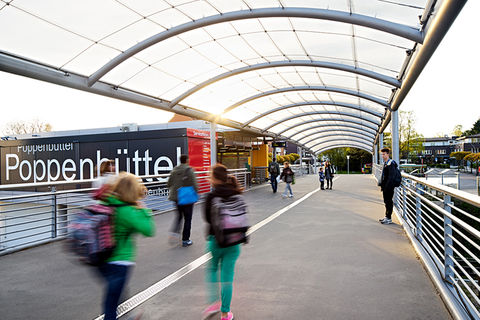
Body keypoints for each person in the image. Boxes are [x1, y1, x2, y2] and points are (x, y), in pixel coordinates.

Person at [99, 172, 155, 320]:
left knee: (112, 298)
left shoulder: (107, 202)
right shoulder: (127, 212)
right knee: (111, 304)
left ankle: (127, 315)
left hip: (101, 259)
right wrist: (143, 209)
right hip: (120, 261)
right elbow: (149, 230)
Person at [202, 164, 243, 320]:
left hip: (215, 240)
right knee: (227, 278)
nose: (207, 178)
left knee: (212, 269)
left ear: (214, 179)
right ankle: (225, 313)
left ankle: (213, 304)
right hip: (234, 242)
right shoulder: (236, 194)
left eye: (209, 175)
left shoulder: (211, 197)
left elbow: (207, 218)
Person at [167, 154, 198, 247]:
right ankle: (185, 240)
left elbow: (168, 184)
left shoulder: (174, 170)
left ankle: (174, 233)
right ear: (187, 160)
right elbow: (194, 184)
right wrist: (196, 193)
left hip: (176, 198)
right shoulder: (189, 170)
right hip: (187, 198)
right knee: (188, 219)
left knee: (179, 216)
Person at [378, 148, 397, 225]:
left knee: (388, 202)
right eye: (382, 154)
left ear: (388, 154)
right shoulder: (386, 163)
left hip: (389, 187)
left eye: (384, 154)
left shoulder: (391, 163)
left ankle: (389, 218)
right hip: (385, 186)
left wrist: (387, 186)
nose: (383, 156)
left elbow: (391, 177)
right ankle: (387, 216)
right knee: (386, 202)